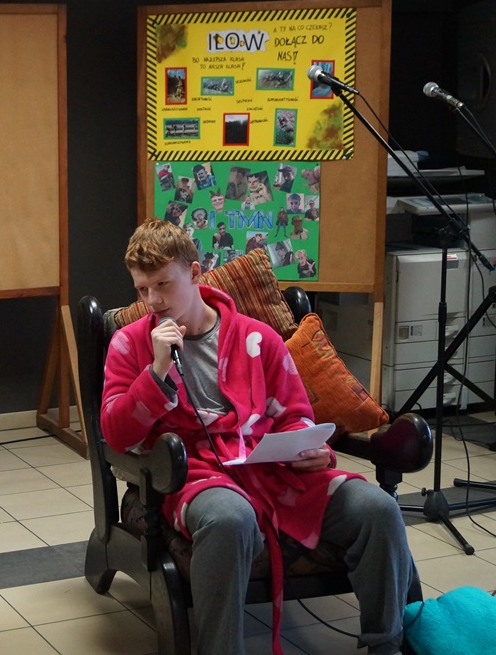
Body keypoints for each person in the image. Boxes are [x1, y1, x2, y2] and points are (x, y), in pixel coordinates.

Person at [100, 218, 416, 655]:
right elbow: (115, 434)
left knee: (378, 509)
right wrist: (156, 372)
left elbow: (295, 415)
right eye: (142, 290)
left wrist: (312, 449)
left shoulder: (257, 338)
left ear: (195, 273)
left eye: (163, 285)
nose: (153, 301)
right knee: (229, 518)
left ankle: (387, 645)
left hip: (273, 471)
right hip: (193, 476)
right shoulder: (129, 344)